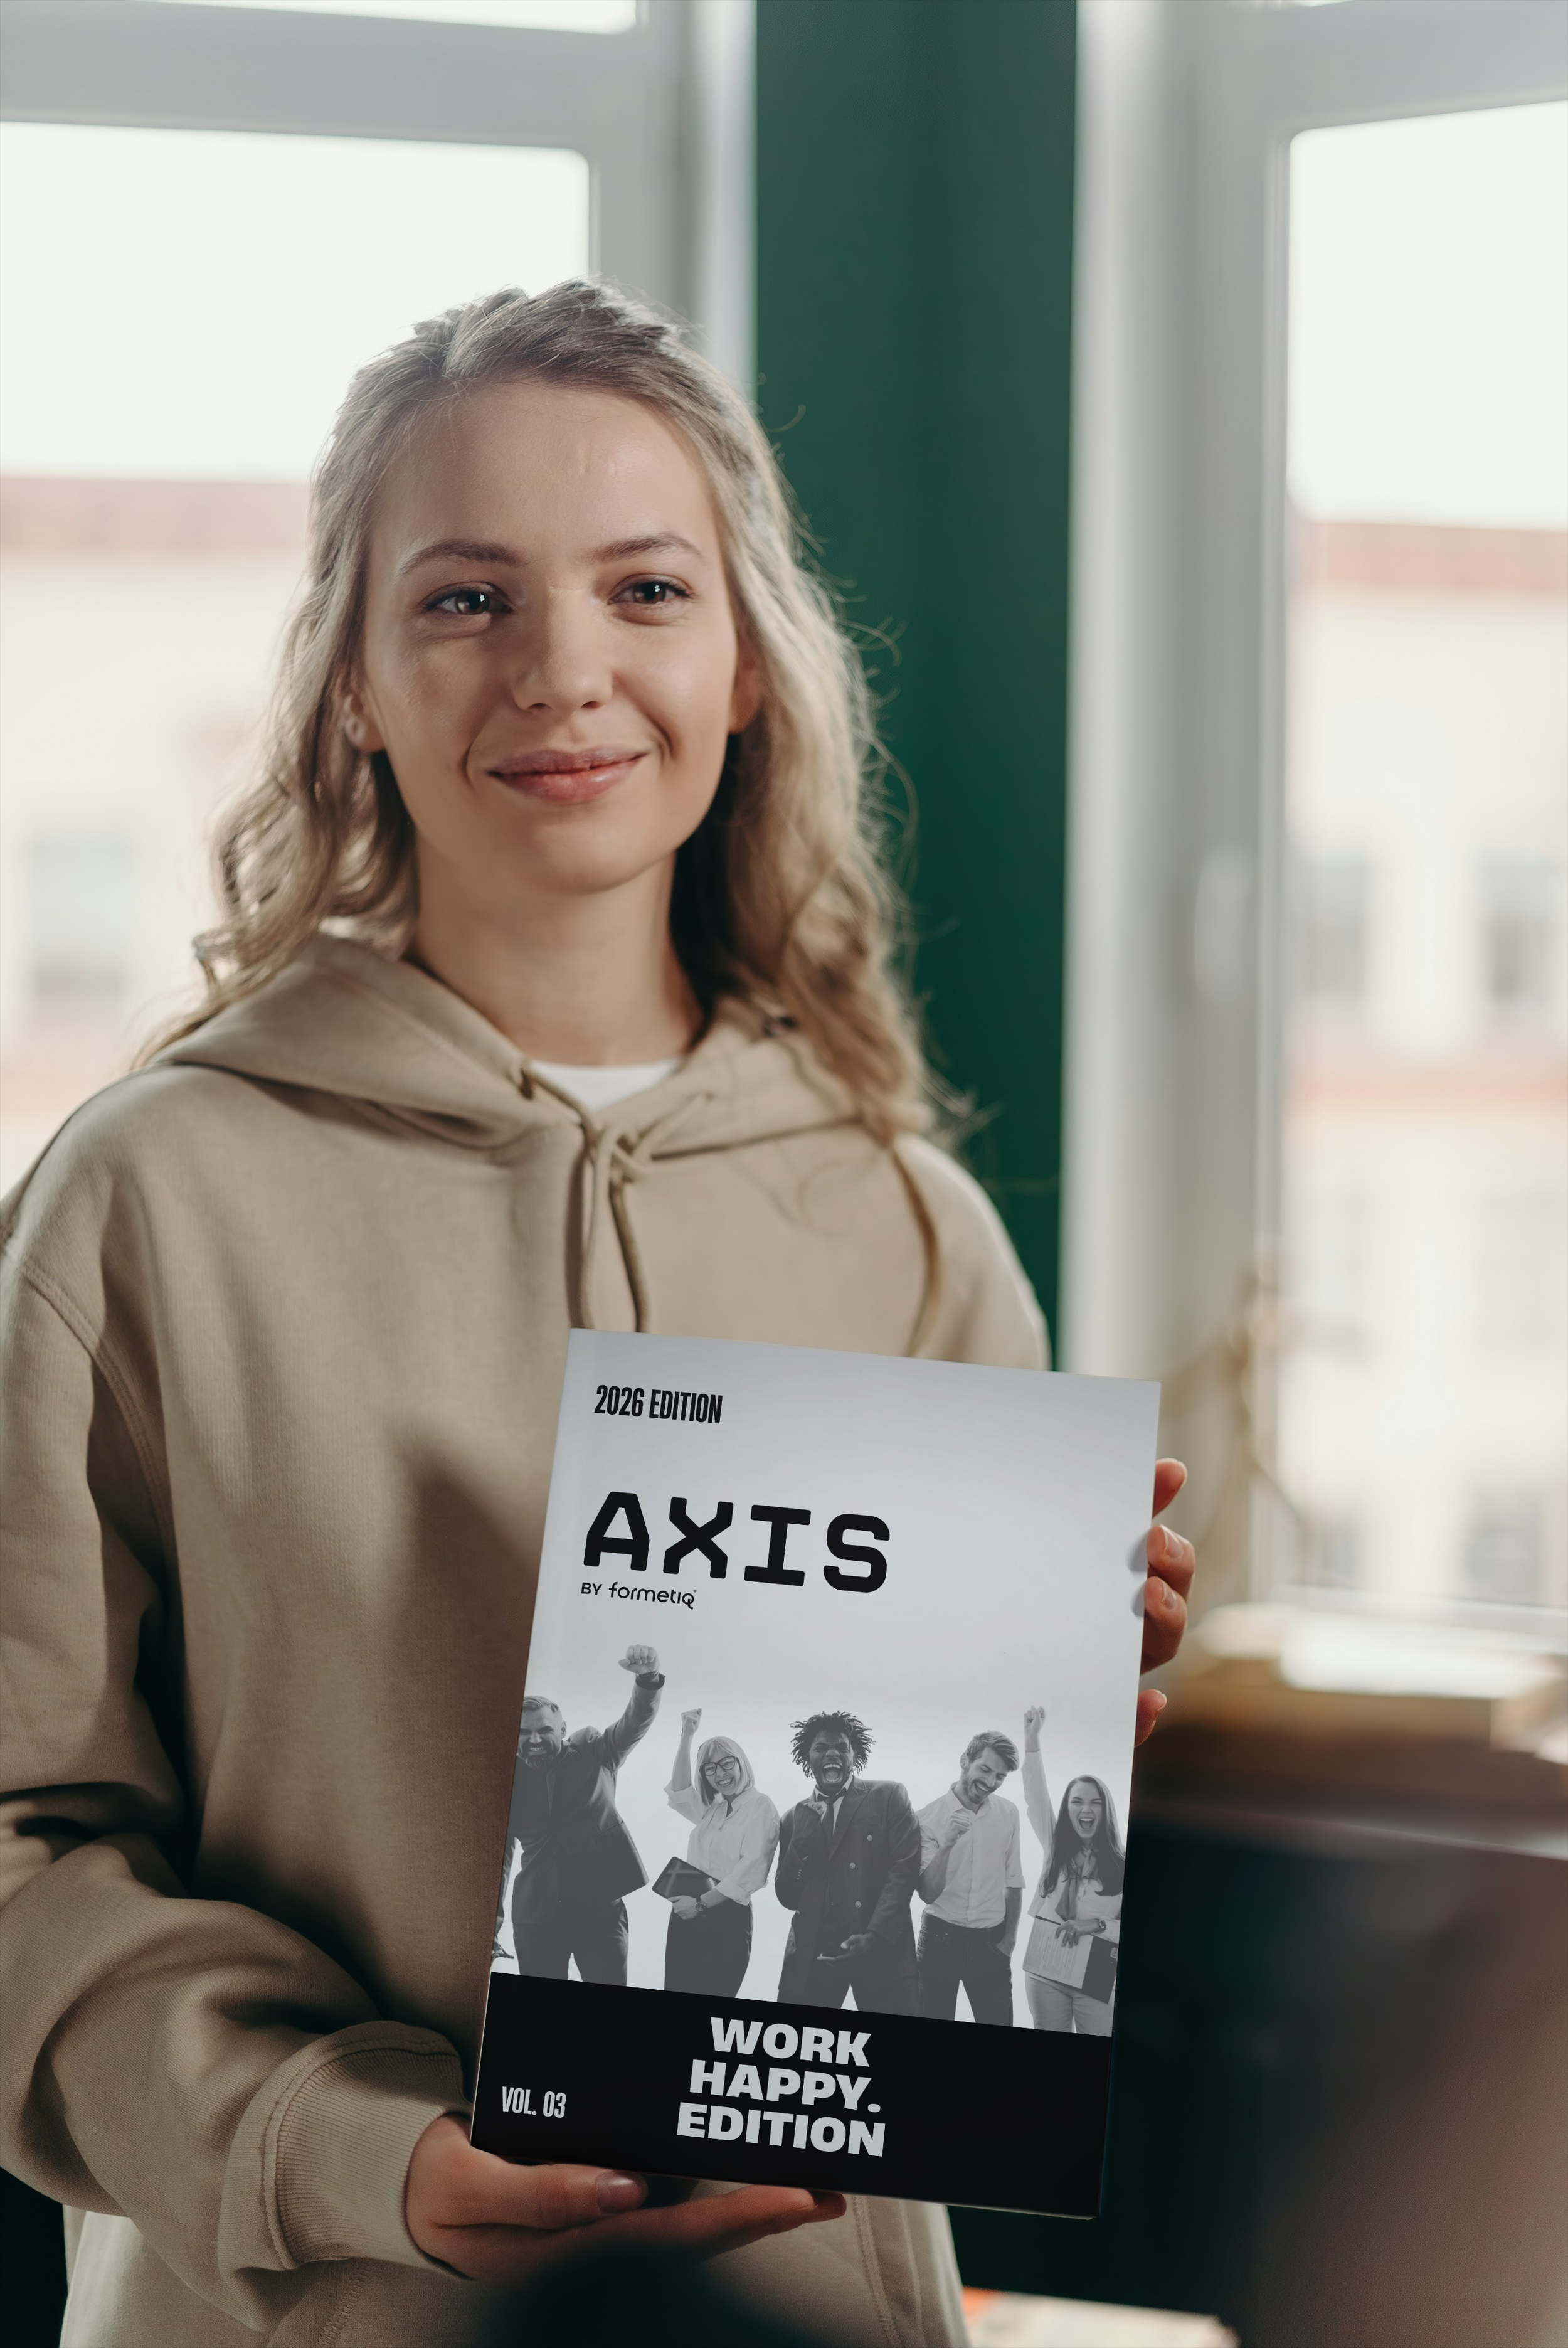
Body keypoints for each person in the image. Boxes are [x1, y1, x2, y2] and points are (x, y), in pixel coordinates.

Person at [0, 279, 1196, 2346]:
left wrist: (1050, 1714)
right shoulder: (145, 1200)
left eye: (646, 588)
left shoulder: (904, 1227)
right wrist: (353, 2147)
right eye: (466, 599)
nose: (565, 670)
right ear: (353, 687)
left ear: (743, 669)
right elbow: (18, 1848)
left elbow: (955, 1921)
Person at [502, 1643, 664, 1983]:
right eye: (524, 1732)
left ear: (562, 1731)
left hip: (600, 1911)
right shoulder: (504, 1784)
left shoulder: (593, 1751)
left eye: (544, 1730)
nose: (534, 1739)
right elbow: (498, 1863)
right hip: (536, 1918)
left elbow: (633, 1724)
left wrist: (648, 1680)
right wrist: (491, 1926)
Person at [775, 1711, 921, 2013]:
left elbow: (903, 1872)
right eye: (821, 1748)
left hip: (882, 1951)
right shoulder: (793, 1818)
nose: (832, 1753)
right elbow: (788, 1897)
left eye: (842, 1747)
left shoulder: (889, 1795)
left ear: (854, 1754)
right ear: (808, 1757)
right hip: (813, 1959)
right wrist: (799, 1841)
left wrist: (875, 1935)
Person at [1020, 1709, 1126, 2037]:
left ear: (1105, 1810)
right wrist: (1032, 1740)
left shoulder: (1122, 1865)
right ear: (1067, 1808)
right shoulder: (1056, 1846)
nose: (1085, 1809)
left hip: (1095, 1972)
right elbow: (1035, 1792)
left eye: (1095, 1803)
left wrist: (1096, 1925)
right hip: (1046, 1967)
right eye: (1077, 1801)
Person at [662, 1707, 780, 1997]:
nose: (720, 1774)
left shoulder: (761, 1807)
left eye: (727, 1763)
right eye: (710, 1768)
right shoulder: (712, 1809)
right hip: (687, 1913)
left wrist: (700, 1905)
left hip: (724, 1916)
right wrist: (687, 1735)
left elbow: (749, 1874)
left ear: (741, 1763)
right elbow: (679, 1792)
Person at [914, 1733, 1025, 2026]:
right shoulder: (926, 1819)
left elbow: (1013, 1879)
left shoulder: (1009, 1813)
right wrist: (949, 1842)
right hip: (940, 1941)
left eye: (1000, 1777)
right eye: (985, 1770)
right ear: (965, 1761)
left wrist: (1009, 1943)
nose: (990, 1783)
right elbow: (927, 1892)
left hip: (991, 1943)